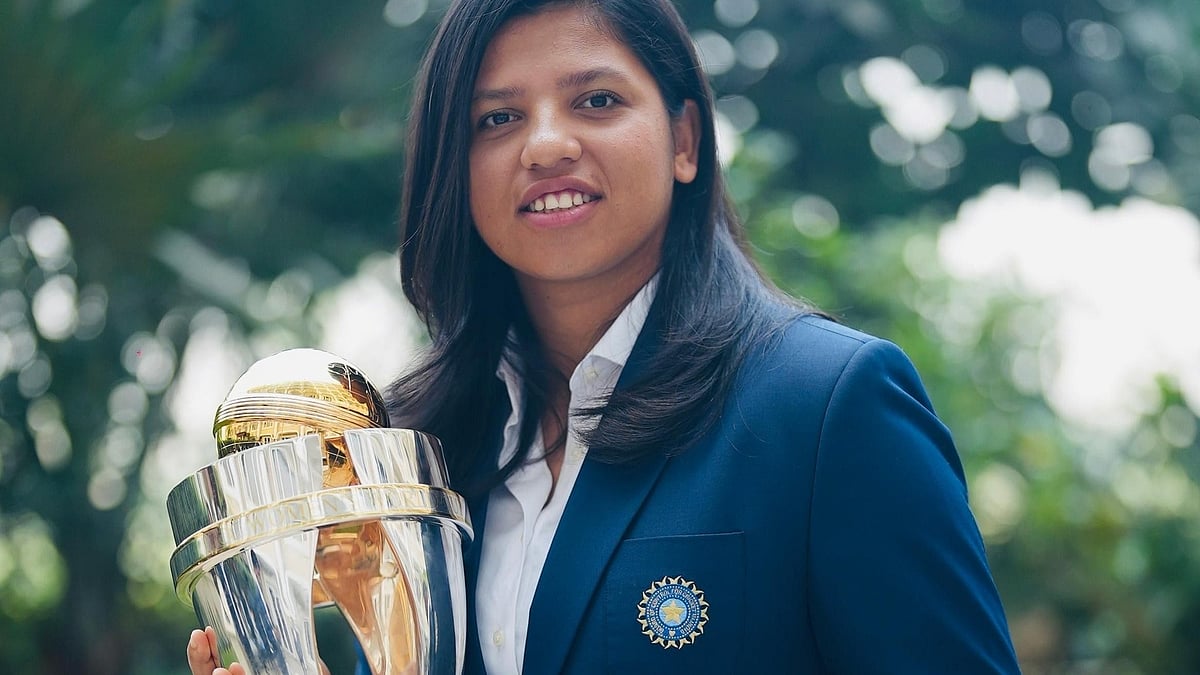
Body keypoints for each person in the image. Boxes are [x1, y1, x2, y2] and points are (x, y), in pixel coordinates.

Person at [188, 0, 1022, 672]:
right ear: (456, 166)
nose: (547, 143)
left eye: (597, 100)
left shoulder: (827, 406)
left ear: (685, 141)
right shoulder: (419, 449)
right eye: (496, 118)